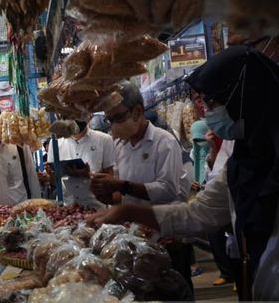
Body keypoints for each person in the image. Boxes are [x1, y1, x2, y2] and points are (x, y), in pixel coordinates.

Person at [87, 45, 279, 300]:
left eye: (212, 102)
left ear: (245, 97)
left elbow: (170, 192)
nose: (208, 112)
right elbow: (199, 214)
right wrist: (125, 210)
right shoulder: (241, 161)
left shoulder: (165, 142)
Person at [90, 82, 193, 291]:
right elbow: (123, 195)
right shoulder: (120, 145)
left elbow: (168, 190)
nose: (113, 126)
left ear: (137, 111)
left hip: (166, 235)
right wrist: (107, 194)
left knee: (173, 291)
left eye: (118, 118)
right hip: (137, 237)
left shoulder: (164, 142)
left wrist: (121, 186)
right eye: (109, 120)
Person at [46, 117, 116, 208]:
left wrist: (89, 176)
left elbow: (110, 178)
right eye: (72, 114)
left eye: (80, 114)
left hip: (96, 206)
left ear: (89, 115)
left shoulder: (104, 140)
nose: (76, 117)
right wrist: (50, 175)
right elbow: (54, 181)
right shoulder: (55, 143)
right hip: (66, 208)